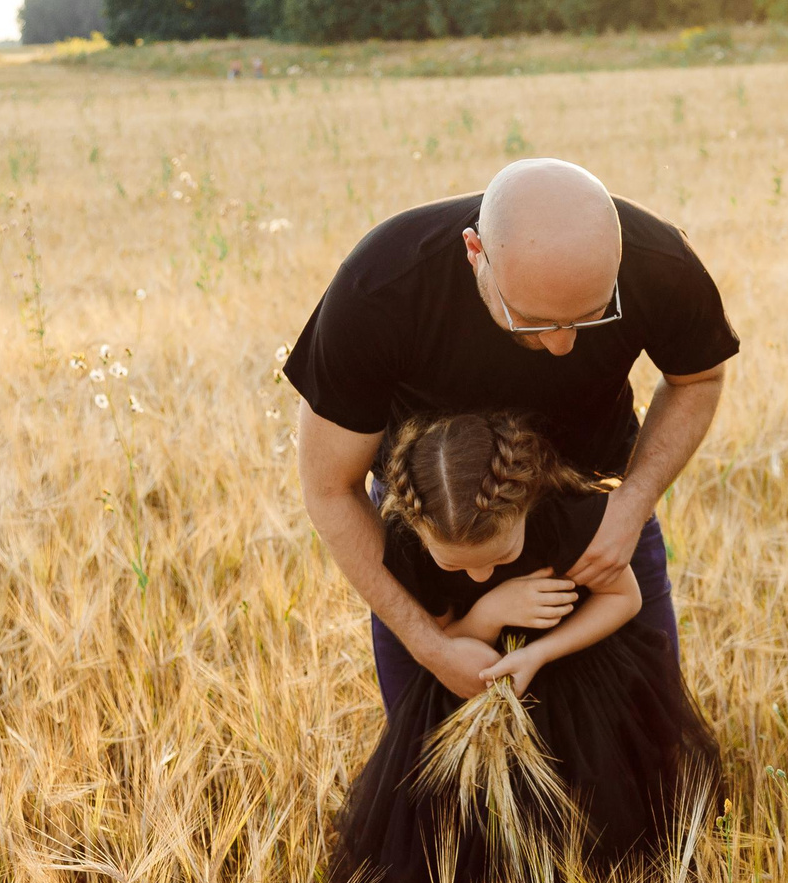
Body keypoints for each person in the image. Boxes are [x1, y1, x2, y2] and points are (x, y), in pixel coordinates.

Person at [286, 159, 738, 712]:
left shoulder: (659, 261)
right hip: (440, 529)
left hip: (598, 511)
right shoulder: (380, 287)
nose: (563, 347)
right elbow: (329, 487)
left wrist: (632, 504)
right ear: (476, 252)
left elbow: (699, 379)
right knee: (433, 754)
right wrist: (431, 646)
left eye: (591, 317)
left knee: (645, 723)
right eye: (534, 321)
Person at [329, 412, 716, 883]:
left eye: (500, 557)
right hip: (476, 696)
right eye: (457, 567)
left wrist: (541, 654)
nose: (480, 575)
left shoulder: (563, 515)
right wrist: (492, 610)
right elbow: (448, 637)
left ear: (527, 499)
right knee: (475, 824)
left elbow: (625, 599)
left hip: (583, 682)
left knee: (603, 809)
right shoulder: (409, 544)